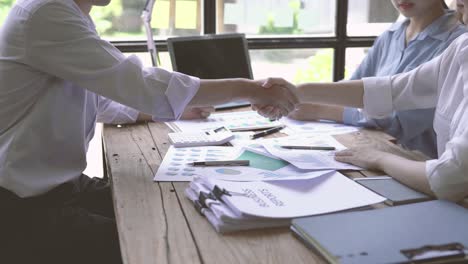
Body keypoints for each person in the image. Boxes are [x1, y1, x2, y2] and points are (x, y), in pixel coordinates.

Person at [0, 0, 298, 263]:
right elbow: (137, 82)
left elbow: (99, 97)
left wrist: (174, 109)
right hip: (21, 206)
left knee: (176, 205)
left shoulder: (72, 14)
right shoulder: (46, 12)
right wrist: (248, 89)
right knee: (159, 245)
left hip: (58, 187)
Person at [259, 0, 468, 205]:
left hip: (430, 177)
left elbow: (445, 179)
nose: (463, 14)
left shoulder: (455, 38)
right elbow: (390, 89)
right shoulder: (461, 47)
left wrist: (378, 158)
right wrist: (298, 92)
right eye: (461, 4)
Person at [288, 0, 467, 158]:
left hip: (418, 166)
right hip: (375, 153)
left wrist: (320, 110)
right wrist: (304, 96)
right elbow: (351, 89)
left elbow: (398, 122)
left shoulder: (458, 42)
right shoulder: (391, 34)